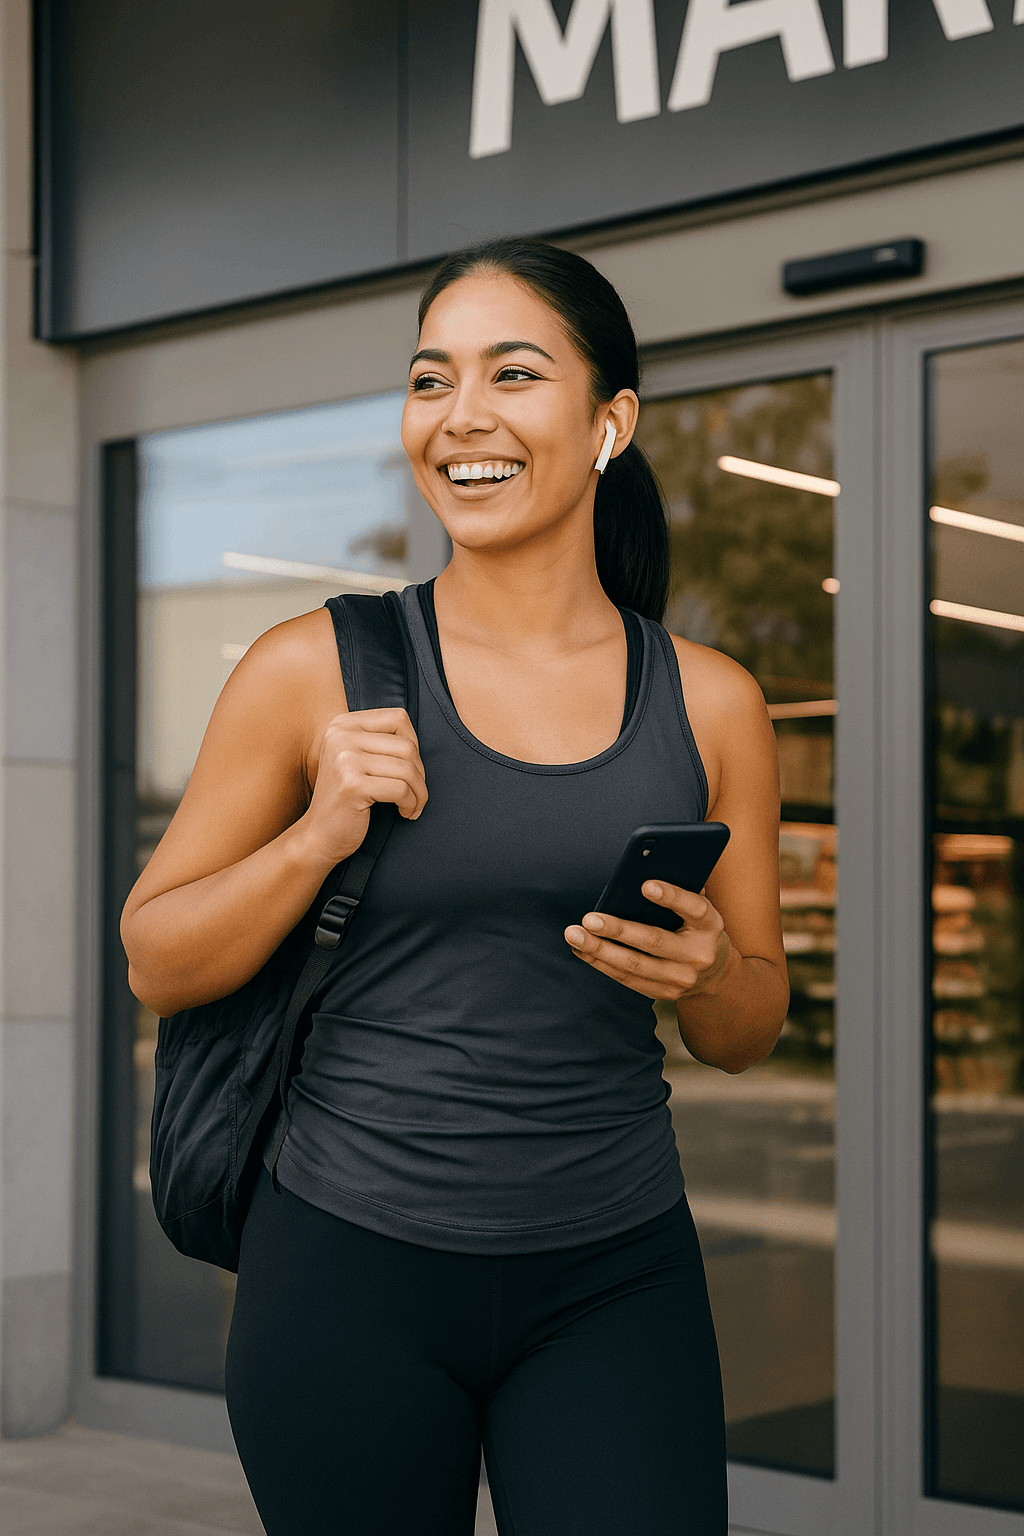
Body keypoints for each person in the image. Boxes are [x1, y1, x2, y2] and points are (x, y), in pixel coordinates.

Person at [121, 238, 788, 1536]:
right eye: (432, 381)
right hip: (344, 1272)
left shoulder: (713, 703)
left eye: (513, 374)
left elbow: (749, 1030)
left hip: (614, 1277)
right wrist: (317, 835)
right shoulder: (311, 668)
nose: (462, 416)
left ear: (610, 423)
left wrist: (711, 975)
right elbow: (157, 959)